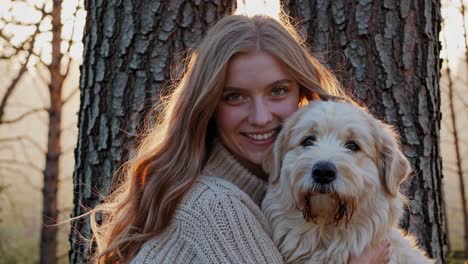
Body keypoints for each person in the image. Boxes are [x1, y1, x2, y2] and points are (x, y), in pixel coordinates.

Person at [89, 13, 391, 264]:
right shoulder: (218, 205)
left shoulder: (267, 196)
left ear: (302, 92)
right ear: (209, 107)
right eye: (235, 97)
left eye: (278, 91)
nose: (260, 117)